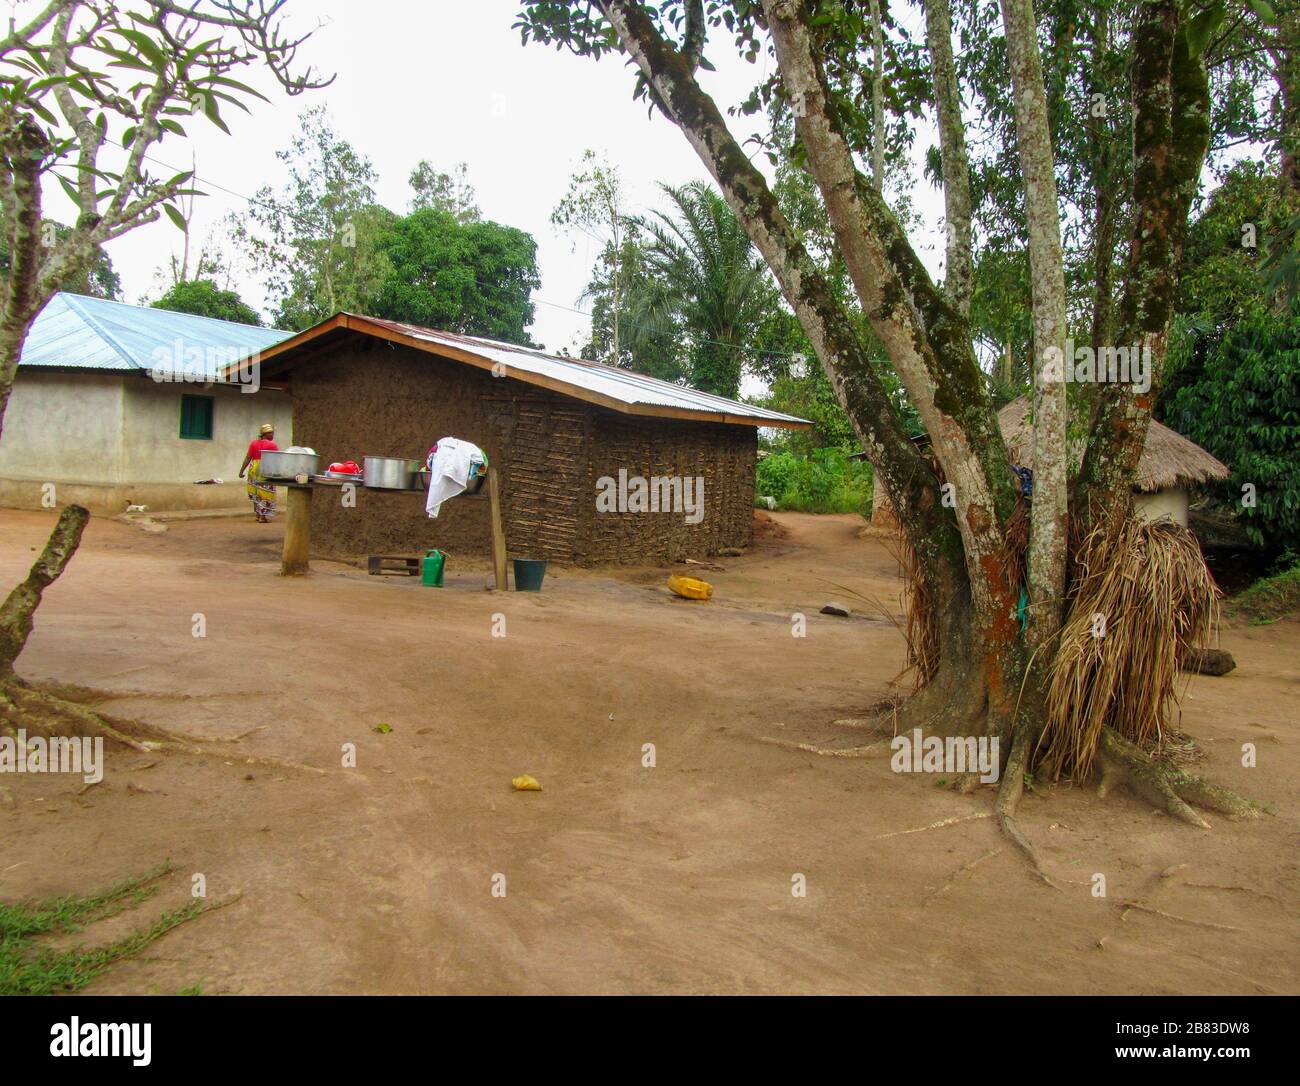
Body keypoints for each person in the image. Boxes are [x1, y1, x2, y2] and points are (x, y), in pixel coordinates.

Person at [239, 423, 279, 522]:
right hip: (266, 469)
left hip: (253, 469)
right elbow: (278, 459)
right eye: (271, 433)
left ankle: (257, 515)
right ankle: (263, 517)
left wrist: (241, 471)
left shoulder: (253, 443)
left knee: (256, 491)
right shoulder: (272, 445)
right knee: (265, 493)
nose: (273, 435)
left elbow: (248, 458)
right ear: (265, 434)